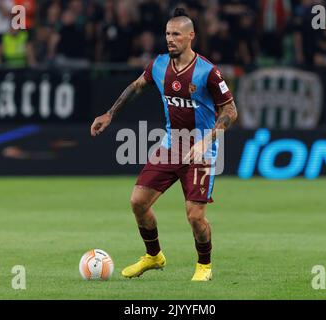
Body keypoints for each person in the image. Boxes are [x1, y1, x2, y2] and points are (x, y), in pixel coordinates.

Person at [90, 8, 238, 281]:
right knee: (138, 202)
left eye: (176, 35)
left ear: (191, 36)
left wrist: (208, 139)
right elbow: (136, 86)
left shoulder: (208, 72)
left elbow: (230, 111)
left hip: (202, 150)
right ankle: (154, 256)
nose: (170, 39)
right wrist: (110, 113)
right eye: (168, 34)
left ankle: (204, 266)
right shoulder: (158, 65)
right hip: (172, 145)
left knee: (195, 217)